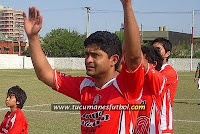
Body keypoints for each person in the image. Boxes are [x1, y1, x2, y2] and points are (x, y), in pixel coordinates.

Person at [23, 0, 144, 133]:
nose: (88, 60)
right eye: (86, 54)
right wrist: (33, 37)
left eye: (95, 55)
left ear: (113, 59)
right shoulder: (84, 86)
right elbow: (45, 74)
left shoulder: (126, 86)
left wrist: (127, 6)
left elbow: (134, 57)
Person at [151, 38, 178, 134]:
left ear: (167, 54)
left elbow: (150, 81)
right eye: (152, 49)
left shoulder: (169, 72)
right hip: (149, 116)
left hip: (162, 120)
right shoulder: (153, 70)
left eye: (158, 49)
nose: (154, 52)